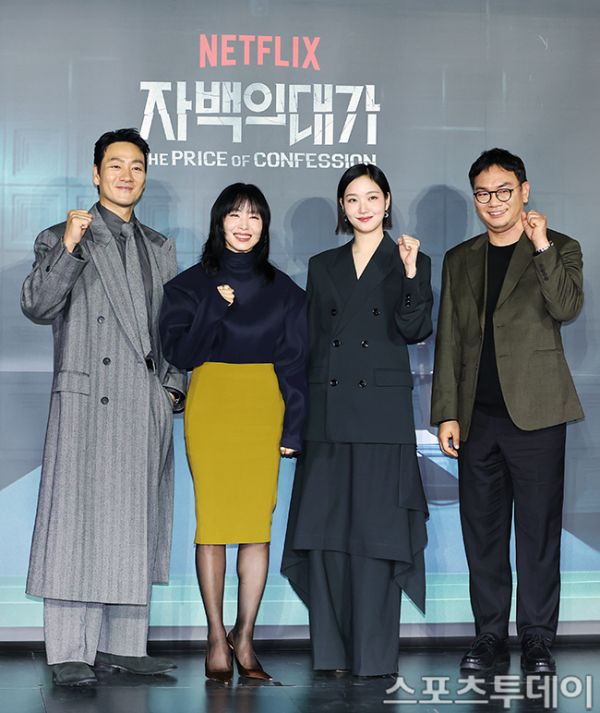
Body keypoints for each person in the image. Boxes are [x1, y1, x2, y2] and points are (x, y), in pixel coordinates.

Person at [21, 128, 187, 687]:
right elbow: (38, 305)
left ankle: (124, 645)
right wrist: (69, 247)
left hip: (142, 401)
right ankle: (69, 650)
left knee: (133, 522)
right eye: (115, 165)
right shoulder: (62, 235)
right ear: (95, 174)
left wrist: (172, 390)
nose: (126, 175)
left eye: (136, 166)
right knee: (77, 523)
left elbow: (173, 329)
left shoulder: (159, 246)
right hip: (87, 399)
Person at [431, 148, 584, 675]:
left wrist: (541, 245)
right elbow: (449, 340)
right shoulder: (460, 259)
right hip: (478, 420)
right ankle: (489, 635)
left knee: (538, 533)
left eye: (503, 191)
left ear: (524, 190)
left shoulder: (559, 247)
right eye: (483, 193)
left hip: (538, 415)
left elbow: (566, 306)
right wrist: (447, 412)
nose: (493, 202)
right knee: (484, 535)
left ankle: (538, 638)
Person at [282, 163, 432, 677]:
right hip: (328, 413)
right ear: (342, 208)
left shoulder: (410, 259)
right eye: (352, 199)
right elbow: (309, 345)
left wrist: (409, 273)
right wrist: (296, 422)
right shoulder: (322, 265)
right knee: (326, 534)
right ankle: (330, 653)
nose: (363, 207)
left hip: (382, 419)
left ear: (387, 202)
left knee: (376, 536)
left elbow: (415, 328)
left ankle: (373, 657)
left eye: (371, 197)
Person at [159, 183, 307, 684]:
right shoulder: (188, 286)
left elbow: (295, 365)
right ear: (219, 221)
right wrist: (213, 307)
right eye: (235, 215)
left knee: (255, 528)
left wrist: (295, 426)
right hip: (211, 408)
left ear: (265, 227)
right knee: (215, 526)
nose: (244, 225)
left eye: (255, 217)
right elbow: (181, 355)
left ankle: (244, 635)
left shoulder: (285, 291)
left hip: (263, 409)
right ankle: (215, 637)